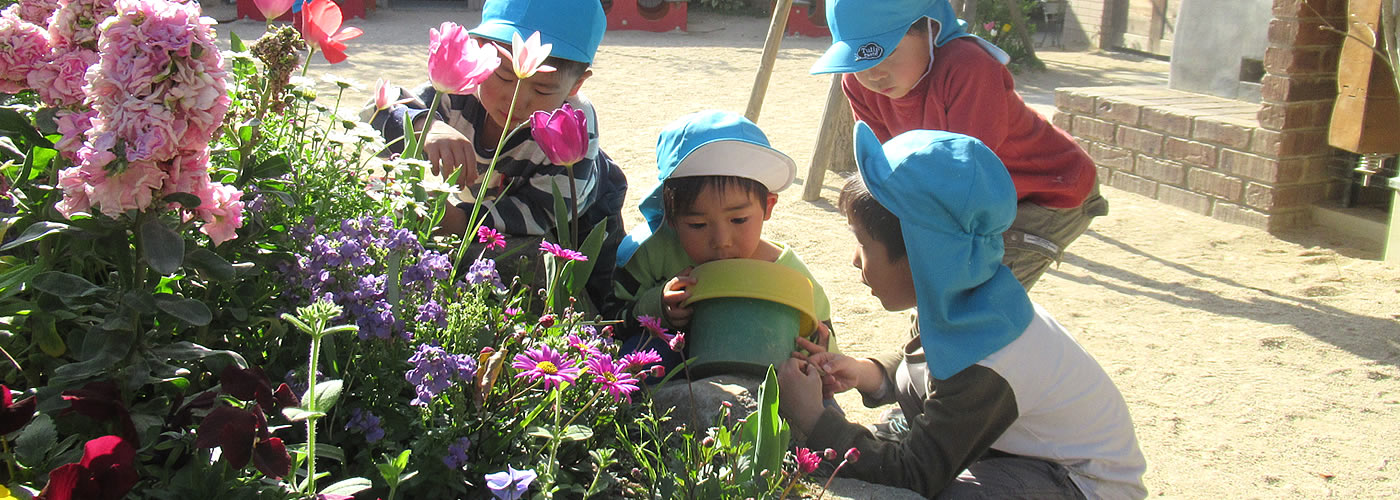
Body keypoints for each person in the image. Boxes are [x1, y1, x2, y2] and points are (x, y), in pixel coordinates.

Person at [777, 123, 1146, 499]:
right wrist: (865, 372)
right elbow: (931, 367)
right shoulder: (961, 297)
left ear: (923, 255)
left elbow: (914, 474)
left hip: (1079, 484)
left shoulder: (989, 356)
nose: (855, 261)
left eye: (864, 245)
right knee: (902, 430)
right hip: (1012, 455)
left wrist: (814, 419)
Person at [811, 0, 1108, 290]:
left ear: (930, 28)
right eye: (860, 61)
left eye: (887, 54)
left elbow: (968, 181)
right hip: (969, 193)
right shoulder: (857, 83)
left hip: (1048, 191)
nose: (875, 73)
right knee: (934, 290)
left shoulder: (969, 67)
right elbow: (894, 169)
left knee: (973, 299)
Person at [370, 0, 627, 310]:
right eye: (505, 76)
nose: (517, 100)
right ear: (479, 51)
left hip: (579, 214)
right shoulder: (459, 88)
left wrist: (461, 221)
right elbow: (378, 110)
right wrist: (427, 125)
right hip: (490, 202)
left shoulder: (573, 127)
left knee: (596, 294)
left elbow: (538, 210)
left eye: (543, 89)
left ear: (577, 84)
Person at [607, 110, 834, 377]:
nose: (721, 242)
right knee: (634, 365)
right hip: (669, 368)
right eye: (697, 225)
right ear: (670, 218)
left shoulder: (790, 275)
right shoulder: (652, 255)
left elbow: (824, 340)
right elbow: (610, 320)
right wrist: (658, 306)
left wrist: (819, 362)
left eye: (738, 220)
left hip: (766, 375)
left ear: (768, 206)